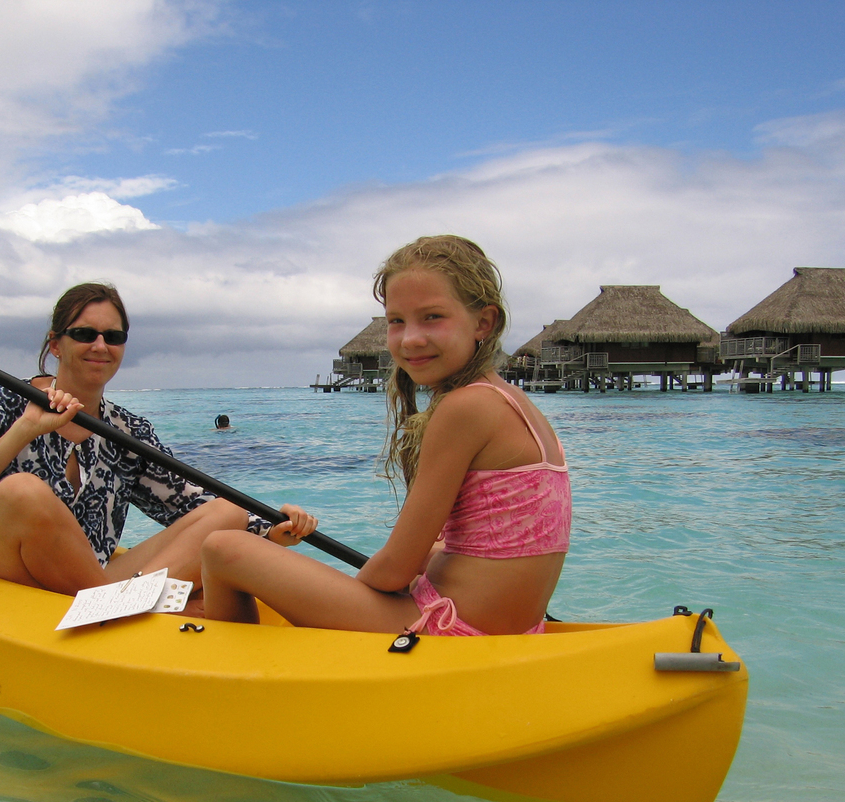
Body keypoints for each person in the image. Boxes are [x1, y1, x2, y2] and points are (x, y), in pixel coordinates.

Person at [200, 235, 569, 635]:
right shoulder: (516, 405)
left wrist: (349, 598)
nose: (410, 338)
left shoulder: (465, 408)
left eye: (432, 317)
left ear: (484, 322)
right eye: (397, 321)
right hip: (507, 627)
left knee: (224, 548)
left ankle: (234, 684)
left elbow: (395, 568)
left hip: (450, 629)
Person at [0, 282, 315, 596]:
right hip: (15, 580)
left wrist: (271, 530)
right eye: (84, 334)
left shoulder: (127, 431)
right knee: (21, 492)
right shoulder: (10, 402)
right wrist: (26, 429)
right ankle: (119, 608)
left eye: (113, 336)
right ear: (56, 344)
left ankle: (112, 608)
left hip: (93, 582)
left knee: (227, 513)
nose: (100, 345)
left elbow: (187, 502)